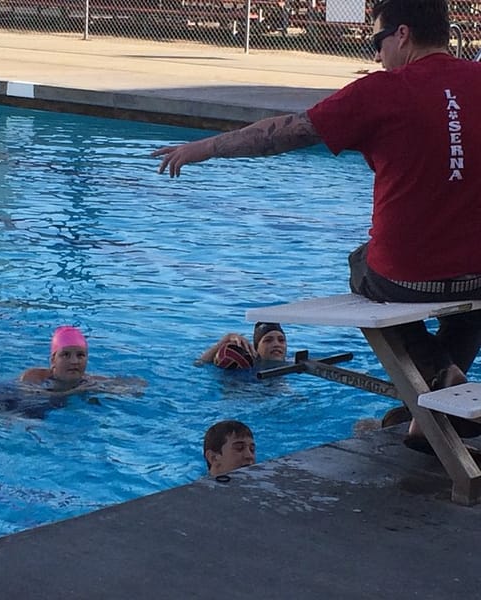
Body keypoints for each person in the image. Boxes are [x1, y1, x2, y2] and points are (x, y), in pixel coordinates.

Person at [153, 0, 481, 451]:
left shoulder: (383, 90)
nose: (376, 54)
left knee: (362, 266)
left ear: (402, 35)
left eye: (377, 41)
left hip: (408, 279)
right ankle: (424, 418)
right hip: (477, 275)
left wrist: (206, 148)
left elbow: (286, 132)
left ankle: (438, 372)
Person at [20, 325, 145, 396]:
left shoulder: (89, 381)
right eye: (66, 355)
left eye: (80, 355)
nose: (74, 361)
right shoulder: (34, 376)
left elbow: (137, 385)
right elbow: (29, 397)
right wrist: (76, 391)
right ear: (53, 360)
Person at [198, 321, 288, 369]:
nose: (276, 344)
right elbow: (200, 363)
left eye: (281, 340)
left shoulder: (292, 363)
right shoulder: (246, 364)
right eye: (268, 340)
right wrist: (226, 339)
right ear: (256, 348)